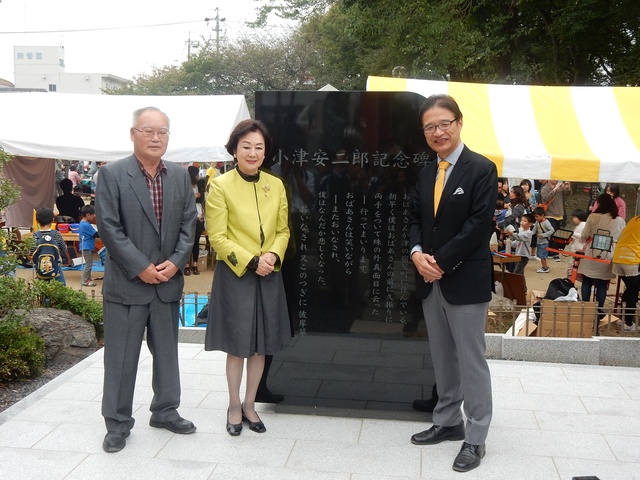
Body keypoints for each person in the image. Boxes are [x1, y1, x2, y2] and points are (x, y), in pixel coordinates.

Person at [95, 106, 197, 453]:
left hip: (167, 281)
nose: (156, 138)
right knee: (121, 358)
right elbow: (109, 227)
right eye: (148, 130)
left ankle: (166, 411)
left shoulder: (180, 175)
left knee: (167, 353)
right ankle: (118, 423)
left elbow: (189, 224)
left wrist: (176, 262)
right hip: (128, 283)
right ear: (133, 133)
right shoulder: (112, 174)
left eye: (163, 132)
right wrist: (140, 266)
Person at [409, 94, 496, 473]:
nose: (438, 132)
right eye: (430, 126)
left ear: (459, 123)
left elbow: (478, 226)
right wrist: (416, 254)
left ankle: (476, 438)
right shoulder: (427, 172)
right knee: (443, 356)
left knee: (470, 359)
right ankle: (447, 422)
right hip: (430, 278)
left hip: (464, 278)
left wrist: (439, 262)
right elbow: (414, 217)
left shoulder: (481, 168)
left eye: (444, 123)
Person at [204, 119, 291, 436]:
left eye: (259, 147)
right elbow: (217, 236)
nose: (253, 153)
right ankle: (232, 405)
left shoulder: (276, 185)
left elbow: (283, 230)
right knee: (238, 345)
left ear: (265, 152)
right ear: (235, 149)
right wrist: (251, 260)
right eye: (246, 146)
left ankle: (251, 404)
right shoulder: (220, 185)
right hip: (237, 274)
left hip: (269, 272)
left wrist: (272, 256)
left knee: (260, 346)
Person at [577, 193, 626, 316]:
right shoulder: (620, 220)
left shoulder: (593, 217)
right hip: (609, 253)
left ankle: (585, 306)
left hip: (591, 251)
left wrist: (583, 241)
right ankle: (599, 309)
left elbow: (584, 235)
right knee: (602, 284)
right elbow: (621, 238)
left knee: (587, 280)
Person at [612, 215, 640, 331]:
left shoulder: (635, 219)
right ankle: (628, 323)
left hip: (619, 257)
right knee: (634, 290)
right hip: (631, 259)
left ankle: (622, 319)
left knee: (630, 288)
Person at [30, 207, 68, 285]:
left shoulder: (35, 236)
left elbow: (31, 253)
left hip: (41, 271)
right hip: (56, 270)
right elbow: (64, 248)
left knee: (43, 292)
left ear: (37, 221)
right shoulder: (56, 234)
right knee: (61, 291)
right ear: (52, 220)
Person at [540, 180, 571, 261]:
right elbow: (545, 198)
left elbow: (567, 194)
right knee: (553, 234)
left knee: (559, 234)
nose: (555, 179)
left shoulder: (560, 187)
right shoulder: (545, 188)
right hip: (550, 214)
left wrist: (568, 188)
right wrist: (555, 189)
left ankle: (554, 252)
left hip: (560, 214)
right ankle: (554, 254)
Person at [184, 165, 205, 276]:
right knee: (187, 242)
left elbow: (202, 200)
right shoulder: (185, 185)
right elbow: (182, 200)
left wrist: (203, 214)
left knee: (196, 242)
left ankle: (195, 265)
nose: (198, 176)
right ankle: (186, 265)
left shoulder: (199, 185)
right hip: (187, 216)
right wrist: (193, 196)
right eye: (196, 174)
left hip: (199, 215)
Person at [78, 204, 99, 287]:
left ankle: (88, 279)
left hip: (86, 246)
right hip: (86, 246)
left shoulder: (83, 223)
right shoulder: (86, 225)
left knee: (89, 263)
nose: (94, 217)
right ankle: (85, 280)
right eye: (93, 215)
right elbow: (96, 234)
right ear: (88, 215)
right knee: (88, 264)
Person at [531, 207, 555, 273]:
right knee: (540, 255)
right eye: (535, 216)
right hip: (539, 241)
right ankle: (544, 267)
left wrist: (543, 235)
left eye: (537, 216)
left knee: (542, 256)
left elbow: (552, 230)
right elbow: (534, 230)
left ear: (542, 215)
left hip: (544, 242)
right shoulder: (537, 222)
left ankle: (545, 268)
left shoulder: (546, 222)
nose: (536, 218)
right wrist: (528, 234)